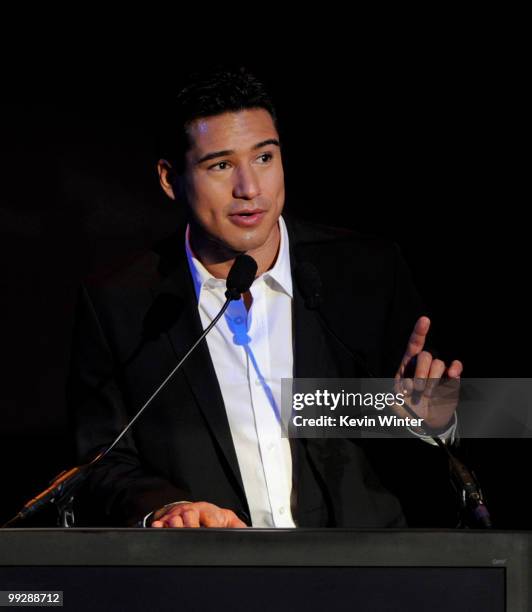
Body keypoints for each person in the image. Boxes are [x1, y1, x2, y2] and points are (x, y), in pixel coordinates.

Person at [68, 67, 462, 529]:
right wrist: (167, 508)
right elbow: (99, 462)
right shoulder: (121, 303)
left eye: (264, 158)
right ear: (170, 179)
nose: (249, 189)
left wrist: (427, 423)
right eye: (220, 165)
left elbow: (478, 426)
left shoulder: (366, 273)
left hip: (362, 578)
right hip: (209, 581)